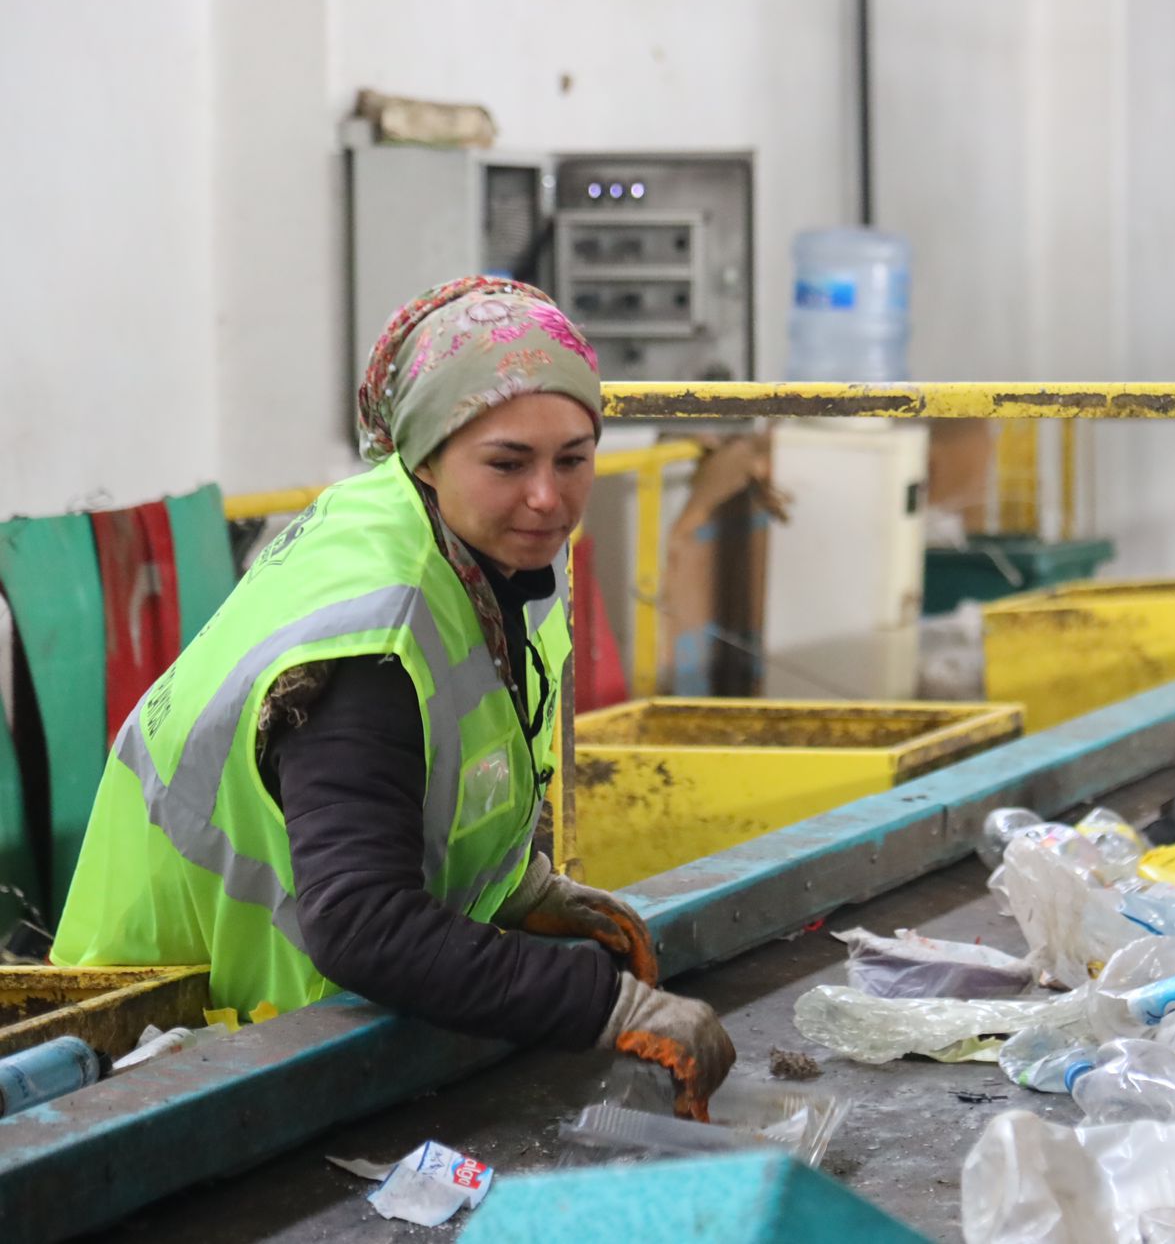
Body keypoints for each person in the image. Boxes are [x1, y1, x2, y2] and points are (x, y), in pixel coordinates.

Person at [53, 276, 734, 1117]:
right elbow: (363, 925)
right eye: (506, 462)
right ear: (425, 456)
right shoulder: (371, 639)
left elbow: (448, 762)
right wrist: (605, 1002)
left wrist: (515, 886)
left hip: (275, 1027)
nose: (547, 498)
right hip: (172, 1051)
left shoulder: (483, 551)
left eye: (573, 457)